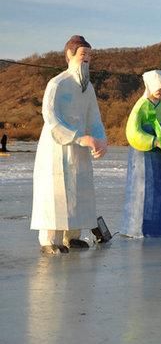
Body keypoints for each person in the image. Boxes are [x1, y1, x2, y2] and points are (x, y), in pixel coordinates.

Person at [30, 35, 107, 254]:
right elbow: (51, 117)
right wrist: (78, 137)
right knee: (55, 192)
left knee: (78, 190)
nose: (87, 59)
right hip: (56, 146)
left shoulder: (88, 88)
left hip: (81, 148)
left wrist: (101, 139)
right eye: (83, 54)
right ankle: (47, 239)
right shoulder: (57, 83)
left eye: (90, 56)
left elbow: (94, 118)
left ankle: (72, 236)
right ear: (69, 55)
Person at [121, 70, 161, 238]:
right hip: (144, 156)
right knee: (145, 190)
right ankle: (140, 228)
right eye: (159, 88)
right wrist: (154, 141)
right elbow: (133, 131)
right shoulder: (141, 106)